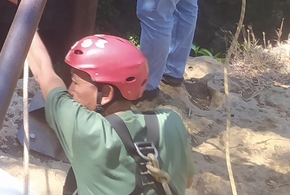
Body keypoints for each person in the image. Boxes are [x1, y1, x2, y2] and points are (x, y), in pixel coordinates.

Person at [27, 32, 195, 194]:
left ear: (106, 94)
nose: (70, 90)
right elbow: (187, 182)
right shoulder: (172, 122)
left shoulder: (87, 129)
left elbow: (43, 72)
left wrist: (25, 19)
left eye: (76, 82)